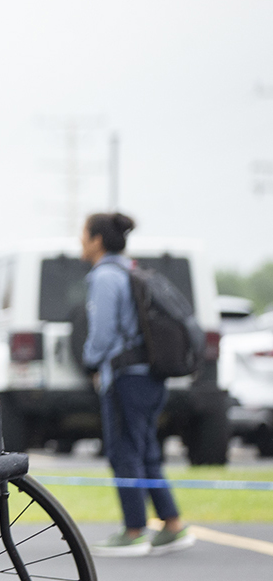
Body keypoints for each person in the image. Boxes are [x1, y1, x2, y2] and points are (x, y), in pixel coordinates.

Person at [80, 212, 194, 556]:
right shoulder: (132, 270)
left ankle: (134, 531)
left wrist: (89, 361)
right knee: (145, 449)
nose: (81, 243)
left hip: (126, 378)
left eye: (84, 235)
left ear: (98, 240)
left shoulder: (104, 277)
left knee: (124, 452)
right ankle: (171, 524)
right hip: (151, 375)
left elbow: (101, 334)